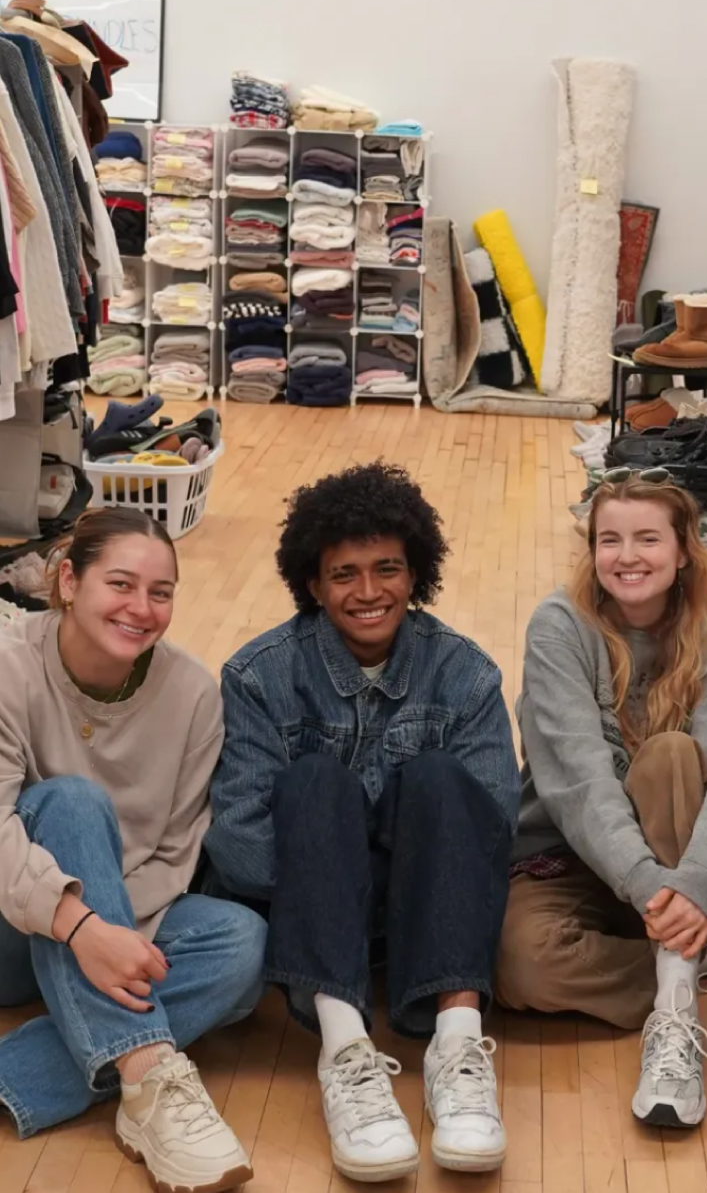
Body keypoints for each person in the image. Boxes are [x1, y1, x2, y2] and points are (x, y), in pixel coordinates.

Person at [203, 463, 519, 1184]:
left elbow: (492, 828)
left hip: (421, 902)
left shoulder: (467, 674)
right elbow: (240, 842)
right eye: (344, 574)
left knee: (442, 779)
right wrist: (336, 878)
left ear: (416, 574)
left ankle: (458, 1045)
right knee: (316, 781)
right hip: (320, 910)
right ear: (313, 585)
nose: (368, 591)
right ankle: (344, 1052)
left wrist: (386, 883)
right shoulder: (257, 675)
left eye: (387, 569)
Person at [0, 508, 264, 1193]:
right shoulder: (8, 665)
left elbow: (176, 854)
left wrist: (110, 938)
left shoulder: (194, 695)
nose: (141, 608)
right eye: (120, 584)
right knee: (72, 803)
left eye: (160, 592)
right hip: (12, 923)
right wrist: (82, 929)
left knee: (241, 944)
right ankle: (148, 1078)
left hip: (119, 922)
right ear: (68, 581)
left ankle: (26, 1064)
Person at [496, 470, 707, 1129]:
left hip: (673, 856)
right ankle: (691, 947)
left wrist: (697, 884)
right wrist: (660, 893)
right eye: (609, 539)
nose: (627, 555)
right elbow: (578, 781)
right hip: (569, 853)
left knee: (671, 754)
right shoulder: (561, 626)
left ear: (683, 550)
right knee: (520, 968)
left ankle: (674, 1011)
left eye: (647, 538)